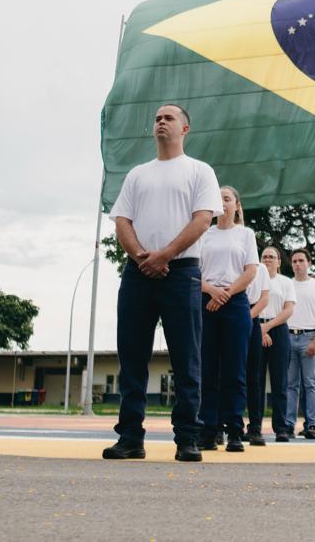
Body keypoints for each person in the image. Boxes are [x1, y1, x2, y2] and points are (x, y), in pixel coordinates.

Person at [101, 104, 220, 462]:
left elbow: (202, 221)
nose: (160, 122)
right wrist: (141, 257)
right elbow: (122, 220)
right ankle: (130, 437)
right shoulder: (138, 174)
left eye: (168, 118)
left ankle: (187, 438)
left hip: (181, 273)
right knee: (132, 357)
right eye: (156, 118)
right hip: (137, 273)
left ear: (185, 128)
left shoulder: (200, 171)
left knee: (186, 358)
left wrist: (164, 255)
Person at [197, 186, 259, 452]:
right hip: (206, 302)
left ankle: (235, 430)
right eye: (218, 198)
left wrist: (226, 293)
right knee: (207, 370)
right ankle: (208, 430)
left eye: (227, 198)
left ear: (236, 205)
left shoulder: (245, 235)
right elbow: (193, 270)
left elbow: (250, 270)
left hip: (235, 304)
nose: (222, 202)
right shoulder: (203, 234)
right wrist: (211, 291)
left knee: (234, 371)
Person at [249, 246, 296, 443]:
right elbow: (250, 304)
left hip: (278, 329)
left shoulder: (285, 282)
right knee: (255, 381)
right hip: (254, 327)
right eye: (264, 256)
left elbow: (288, 309)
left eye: (272, 257)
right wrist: (259, 330)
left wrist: (266, 328)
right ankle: (254, 427)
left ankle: (281, 428)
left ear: (279, 261)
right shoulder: (253, 280)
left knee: (280, 382)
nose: (267, 260)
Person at [285, 249, 315, 439]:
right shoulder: (287, 284)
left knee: (311, 383)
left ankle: (312, 425)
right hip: (288, 336)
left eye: (301, 260)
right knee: (290, 384)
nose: (297, 264)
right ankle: (288, 425)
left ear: (309, 263)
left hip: (309, 337)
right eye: (294, 261)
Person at [240, 247, 271, 445]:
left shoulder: (260, 269)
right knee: (221, 373)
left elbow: (264, 298)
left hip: (250, 315)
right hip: (227, 308)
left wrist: (245, 319)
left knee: (254, 376)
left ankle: (255, 427)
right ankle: (218, 426)